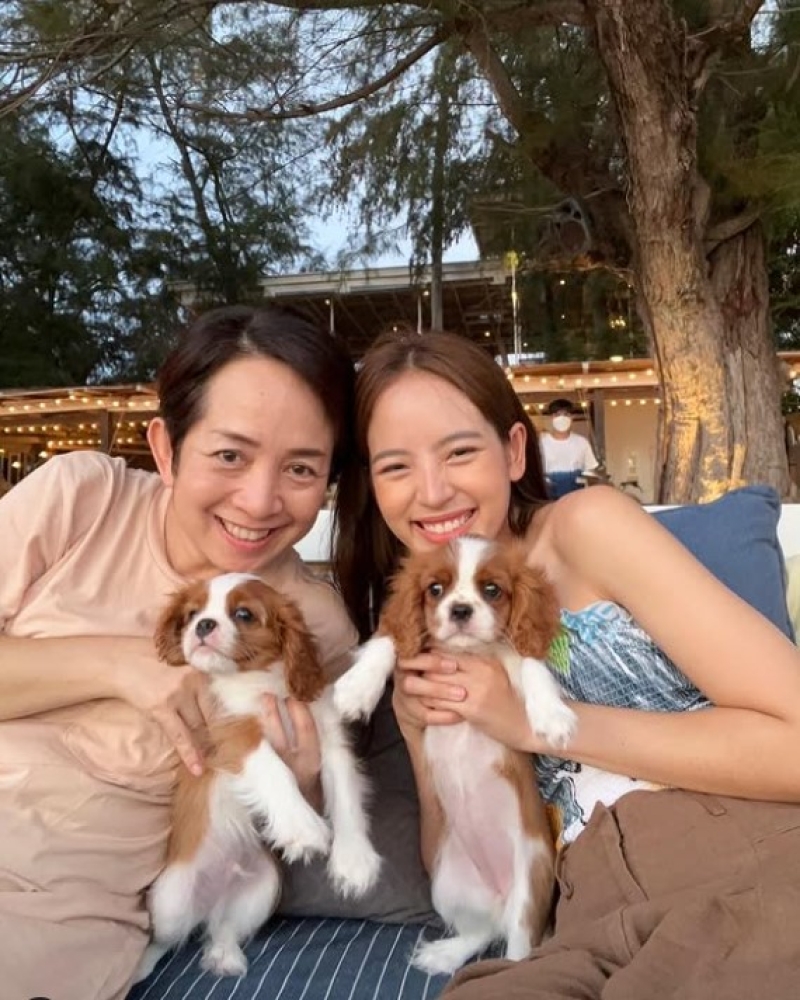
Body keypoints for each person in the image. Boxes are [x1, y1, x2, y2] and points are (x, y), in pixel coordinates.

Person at [332, 328, 800, 998]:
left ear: (513, 450)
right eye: (395, 466)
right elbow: (457, 861)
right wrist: (419, 735)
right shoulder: (427, 616)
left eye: (459, 452)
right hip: (584, 908)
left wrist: (531, 723)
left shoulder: (585, 527)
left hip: (731, 850)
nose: (431, 492)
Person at [0, 304, 358, 1000]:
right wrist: (116, 664)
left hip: (48, 902)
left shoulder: (308, 620)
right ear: (166, 449)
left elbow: (294, 813)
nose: (259, 501)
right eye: (229, 455)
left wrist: (305, 779)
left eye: (301, 468)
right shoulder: (83, 499)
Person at [538, 397, 598, 499]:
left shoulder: (582, 443)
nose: (562, 418)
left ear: (572, 417)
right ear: (551, 417)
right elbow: (535, 474)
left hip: (577, 497)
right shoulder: (541, 444)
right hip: (549, 497)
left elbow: (591, 472)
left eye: (566, 414)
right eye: (557, 414)